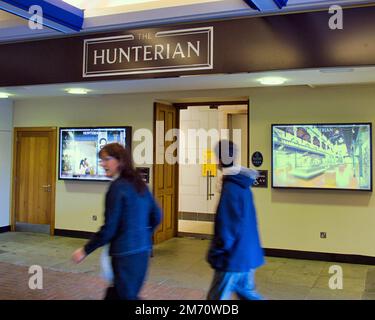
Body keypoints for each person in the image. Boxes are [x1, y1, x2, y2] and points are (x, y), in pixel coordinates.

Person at [72, 143, 162, 300]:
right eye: (101, 160)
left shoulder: (117, 188)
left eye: (106, 159)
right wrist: (142, 234)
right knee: (121, 293)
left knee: (125, 295)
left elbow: (109, 229)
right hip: (142, 252)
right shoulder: (140, 184)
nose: (102, 164)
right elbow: (157, 215)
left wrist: (85, 250)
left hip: (125, 255)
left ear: (120, 161)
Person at [206, 140, 265, 300]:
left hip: (232, 258)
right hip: (247, 254)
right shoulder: (243, 184)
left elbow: (227, 229)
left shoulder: (230, 188)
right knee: (248, 294)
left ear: (219, 159)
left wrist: (216, 253)